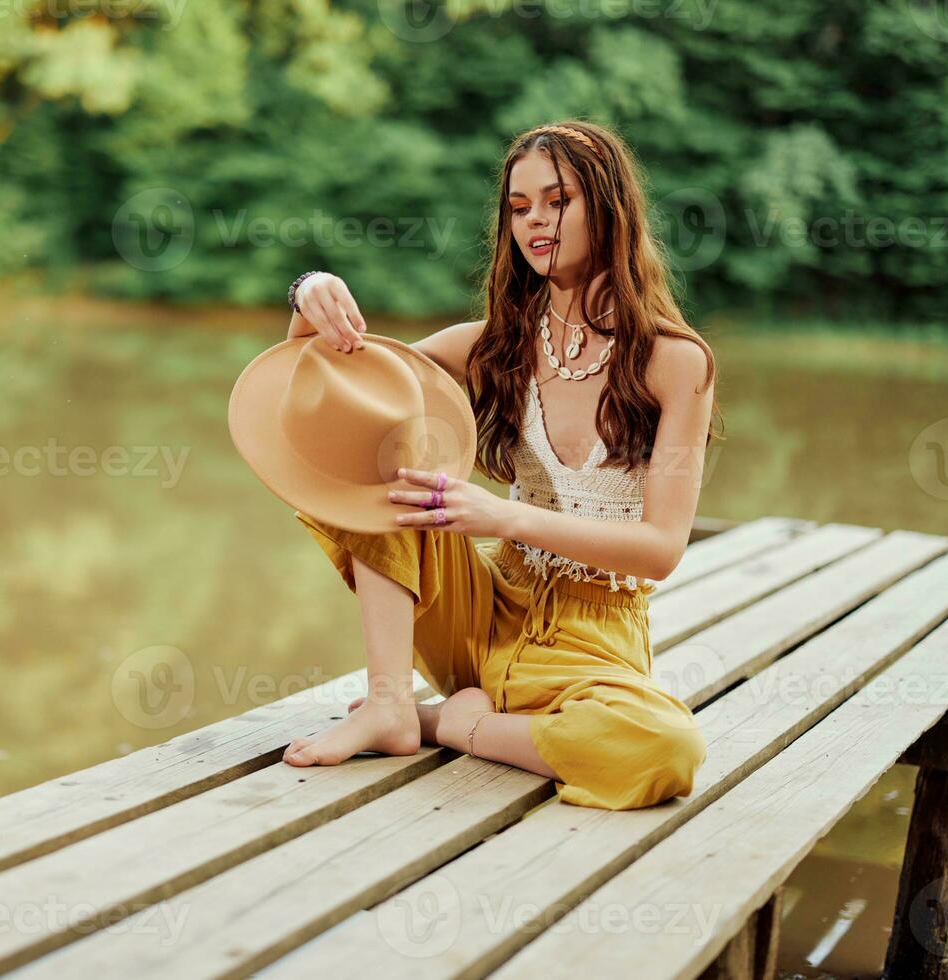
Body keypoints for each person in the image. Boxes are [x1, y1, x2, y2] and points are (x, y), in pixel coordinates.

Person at [279, 120, 722, 811]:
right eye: (519, 208)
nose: (536, 222)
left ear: (608, 206)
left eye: (558, 200)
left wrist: (499, 514)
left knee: (666, 747)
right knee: (379, 456)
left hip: (591, 646)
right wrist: (312, 294)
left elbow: (662, 550)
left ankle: (455, 723)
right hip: (482, 615)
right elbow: (343, 395)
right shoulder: (498, 343)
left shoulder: (676, 363)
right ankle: (393, 704)